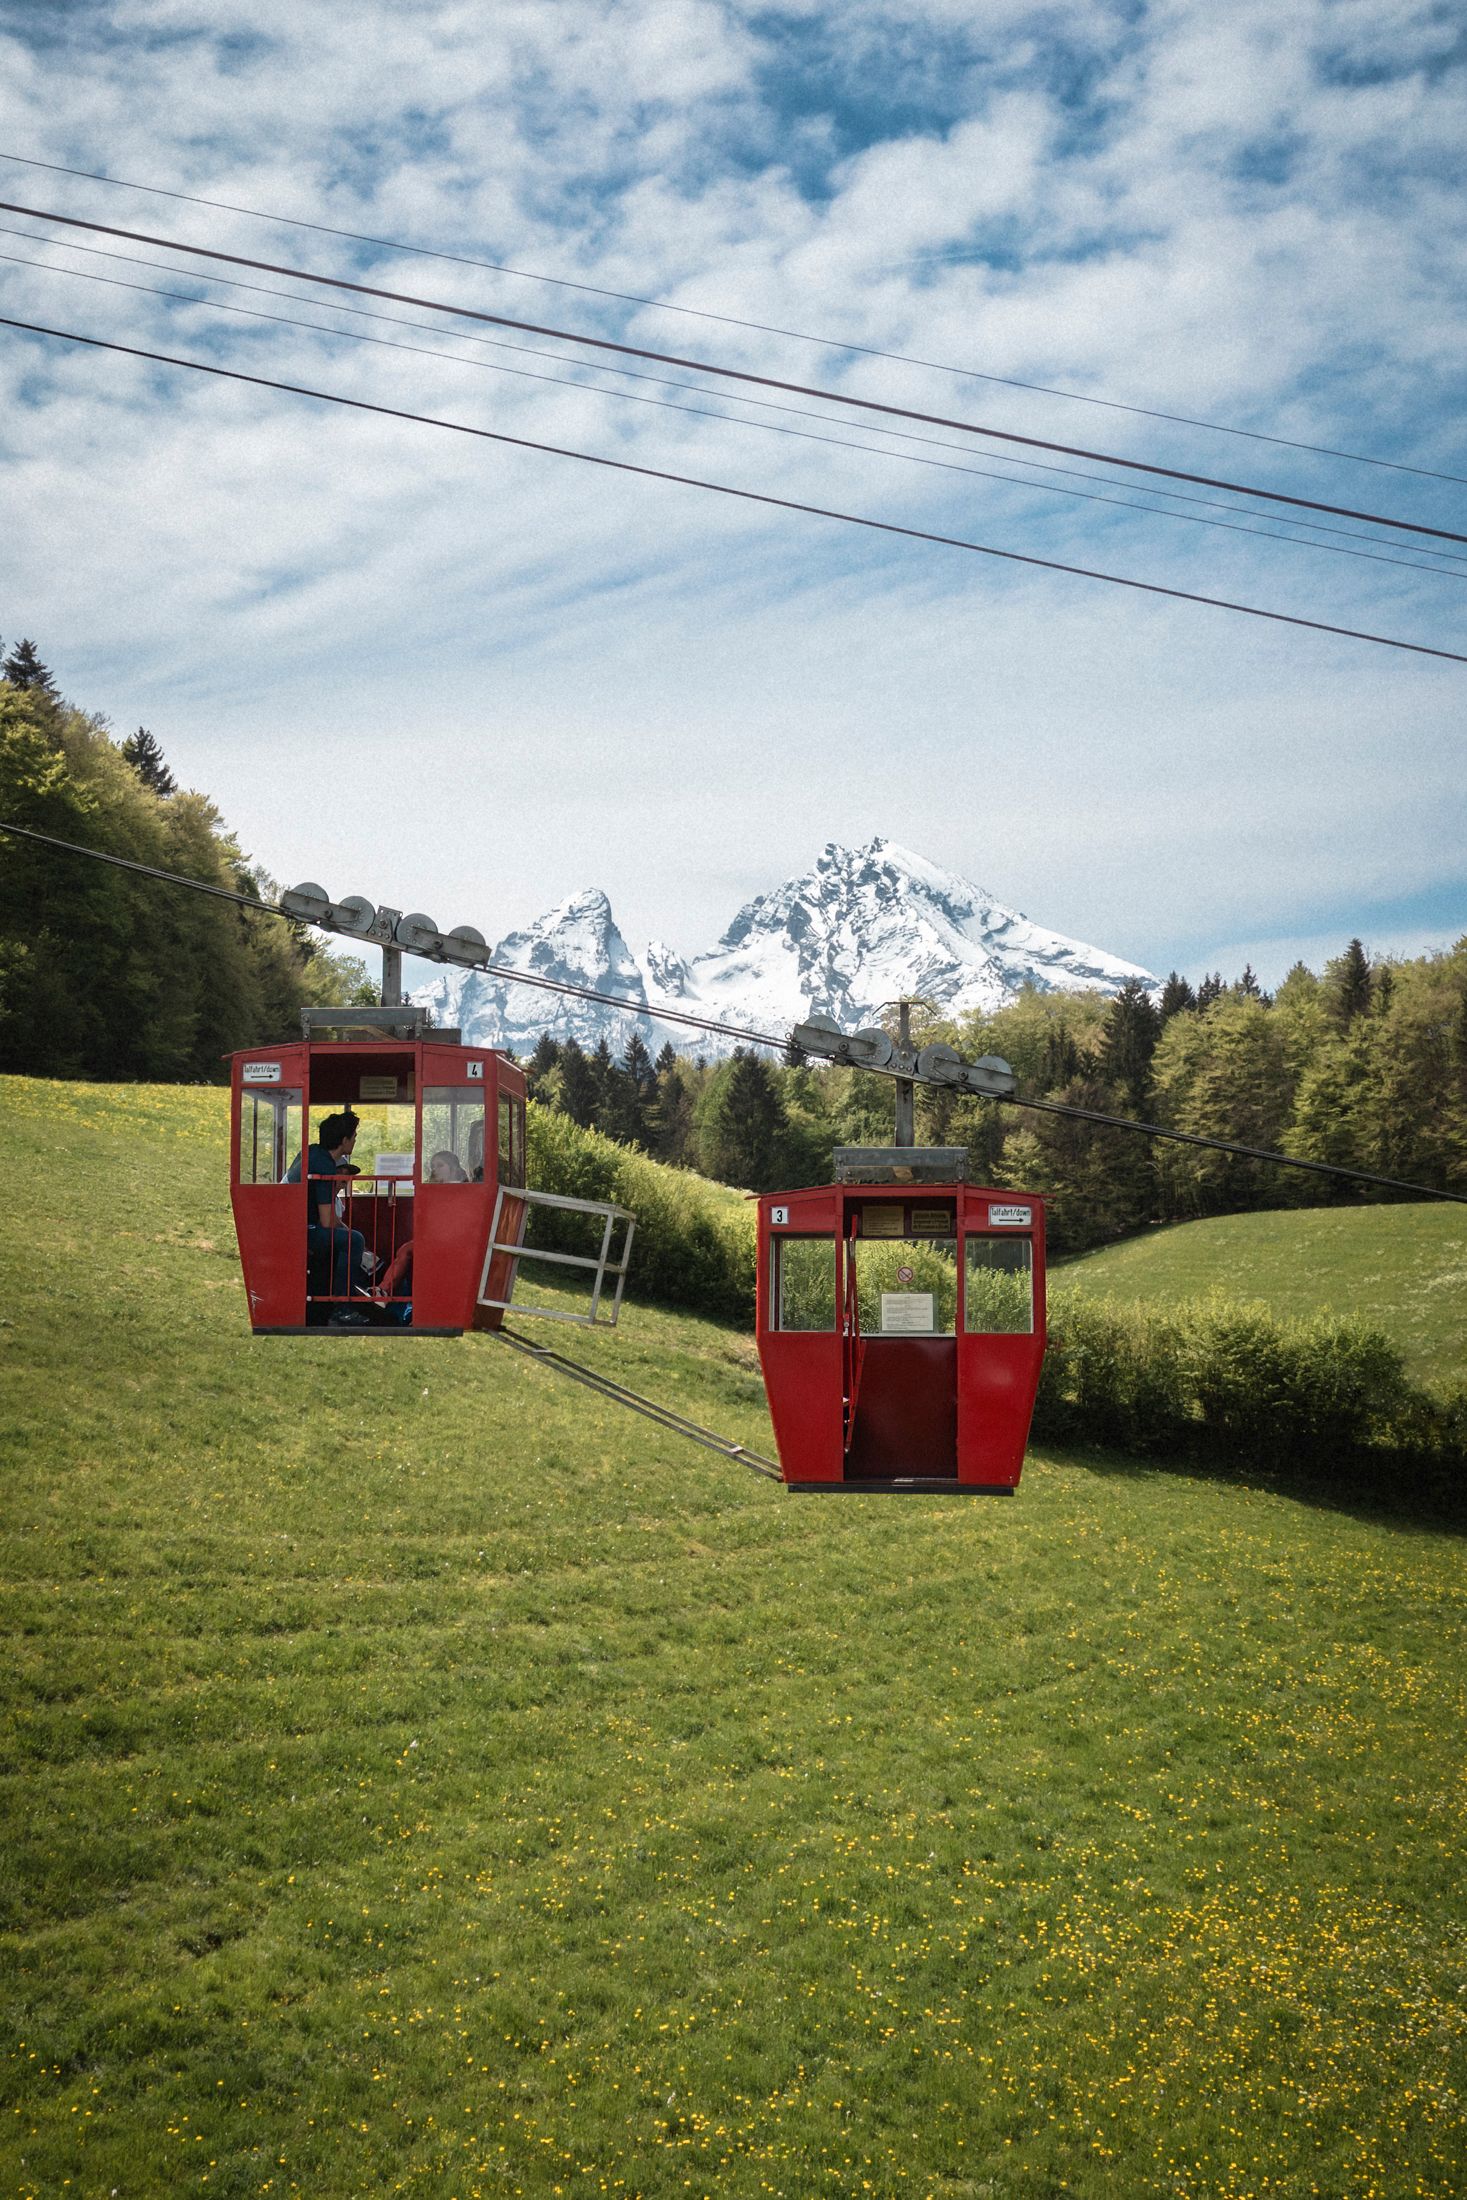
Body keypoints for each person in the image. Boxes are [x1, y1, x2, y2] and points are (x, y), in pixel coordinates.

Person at [287, 1111, 376, 1315]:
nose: (355, 1141)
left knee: (346, 1238)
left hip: (291, 1223)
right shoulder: (325, 1165)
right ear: (344, 1140)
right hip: (302, 1230)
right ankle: (342, 1306)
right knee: (355, 1240)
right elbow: (327, 1221)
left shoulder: (312, 1152)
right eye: (354, 1136)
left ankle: (338, 1297)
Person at [371, 1150, 467, 1302]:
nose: (435, 1170)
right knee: (405, 1249)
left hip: (453, 1240)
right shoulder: (436, 1190)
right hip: (438, 1238)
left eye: (440, 1165)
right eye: (433, 1166)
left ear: (453, 1168)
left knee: (406, 1250)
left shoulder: (459, 1189)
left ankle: (384, 1291)